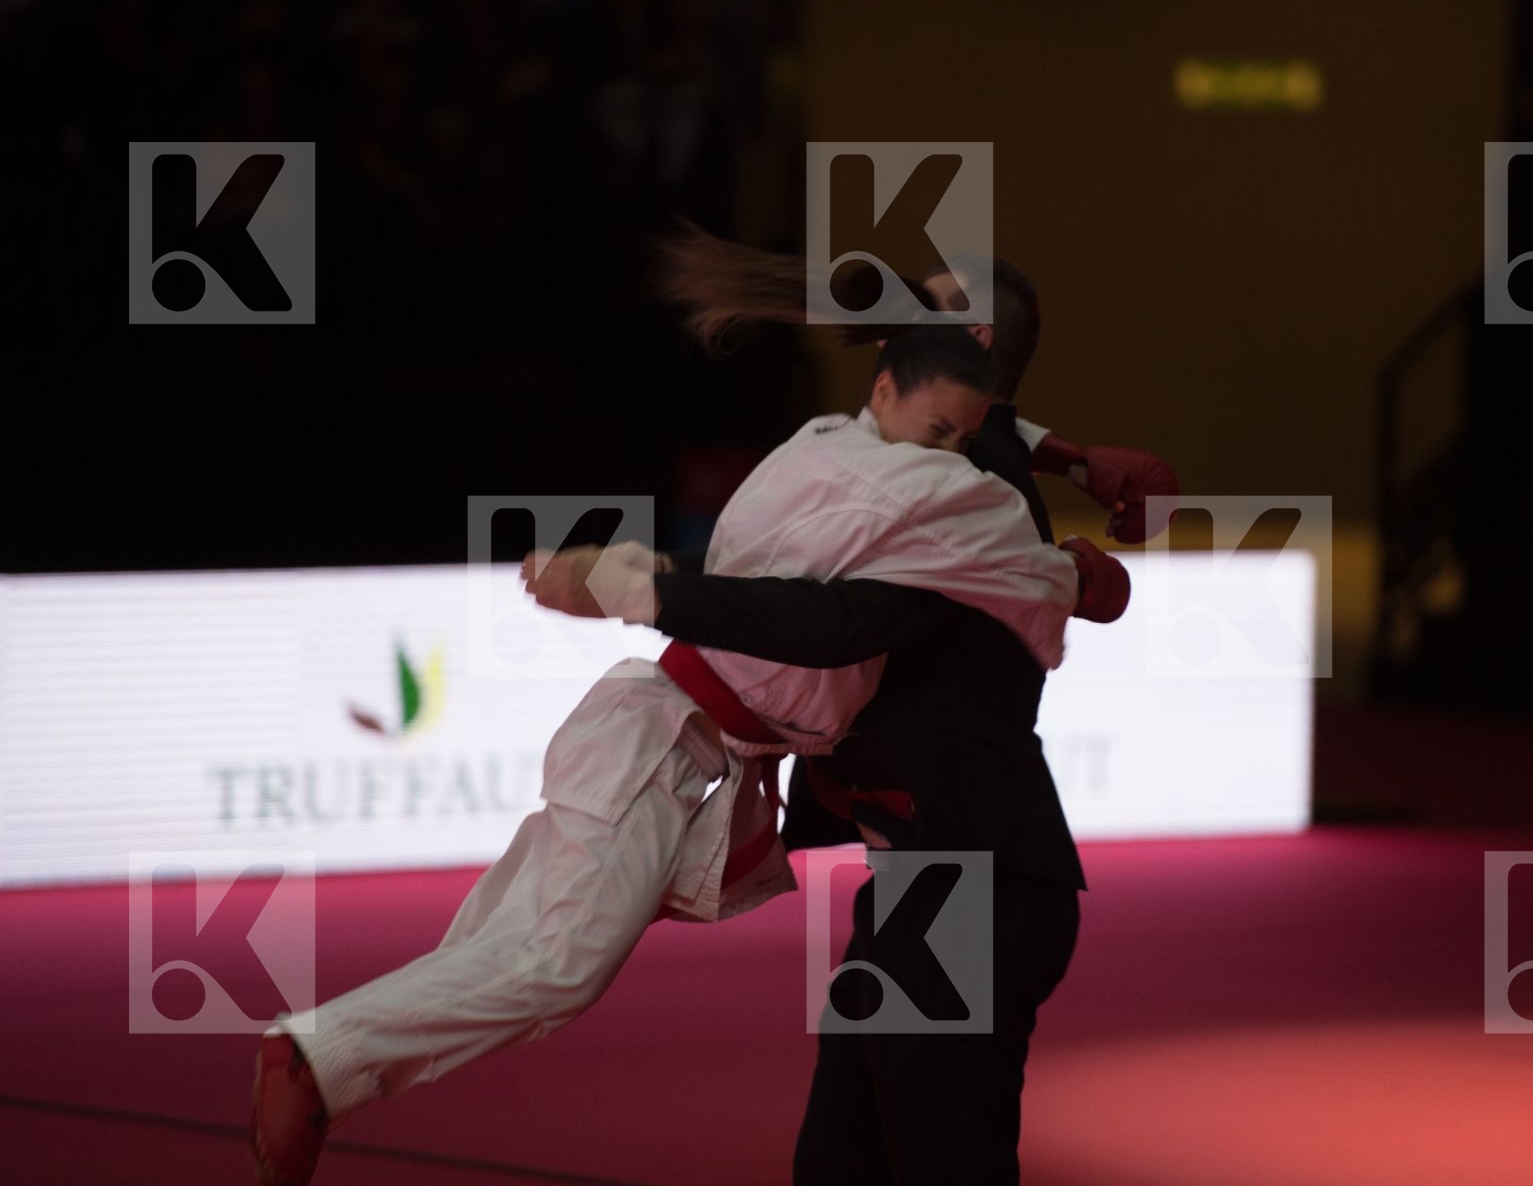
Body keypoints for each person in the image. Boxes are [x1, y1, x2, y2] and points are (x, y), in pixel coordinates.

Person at [249, 324, 1106, 1186]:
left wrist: (1068, 477)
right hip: (667, 749)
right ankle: (317, 1061)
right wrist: (1072, 569)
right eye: (938, 433)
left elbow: (788, 582)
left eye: (962, 439)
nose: (948, 456)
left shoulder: (823, 455)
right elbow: (826, 620)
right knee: (554, 969)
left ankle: (327, 1060)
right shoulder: (918, 498)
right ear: (884, 391)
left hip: (686, 754)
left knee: (507, 946)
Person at [648, 231, 1178, 1183]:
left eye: (917, 311)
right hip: (934, 884)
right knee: (842, 1159)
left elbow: (826, 622)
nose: (887, 328)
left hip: (972, 886)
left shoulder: (960, 501)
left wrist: (645, 593)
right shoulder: (943, 469)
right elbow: (989, 431)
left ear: (966, 341)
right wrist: (1068, 453)